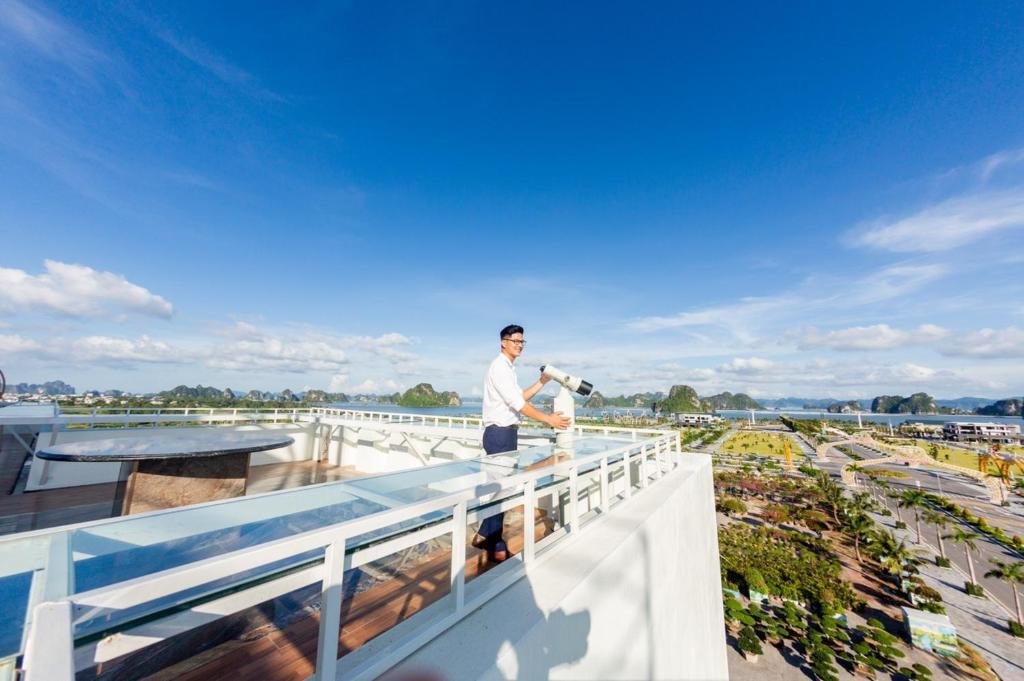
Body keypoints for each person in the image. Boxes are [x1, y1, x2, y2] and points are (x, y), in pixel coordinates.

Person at [475, 324, 571, 562]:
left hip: (507, 433)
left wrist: (542, 382)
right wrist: (549, 419)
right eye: (515, 341)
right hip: (499, 434)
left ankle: (484, 534)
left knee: (503, 488)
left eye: (522, 342)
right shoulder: (499, 367)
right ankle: (493, 541)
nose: (519, 345)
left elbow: (520, 397)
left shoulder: (508, 368)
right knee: (502, 489)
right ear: (503, 342)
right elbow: (519, 405)